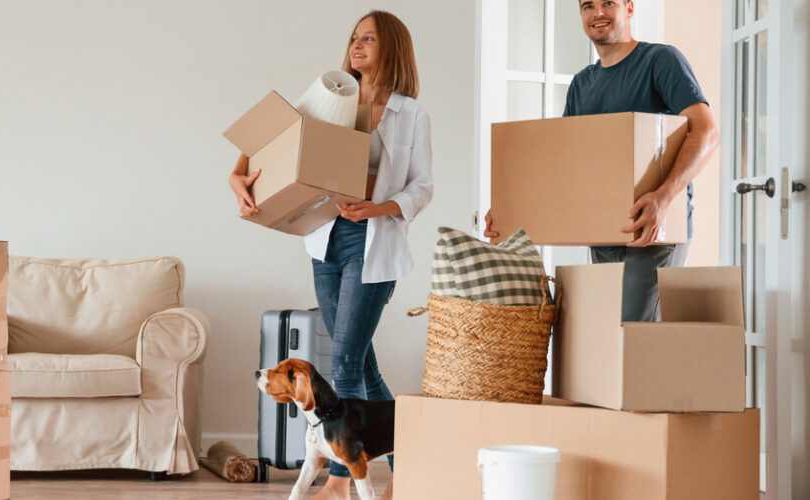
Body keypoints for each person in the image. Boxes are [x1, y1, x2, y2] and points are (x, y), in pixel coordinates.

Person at [230, 10, 433, 500]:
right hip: (326, 240)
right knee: (361, 365)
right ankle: (416, 464)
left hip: (374, 243)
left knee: (343, 360)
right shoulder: (331, 95)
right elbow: (270, 140)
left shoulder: (410, 113)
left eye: (369, 38)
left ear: (393, 49)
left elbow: (422, 187)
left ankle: (343, 480)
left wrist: (378, 206)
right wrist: (237, 174)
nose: (356, 45)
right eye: (353, 37)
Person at [484, 0, 719, 322]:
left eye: (608, 3)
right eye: (587, 6)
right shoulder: (582, 83)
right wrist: (512, 210)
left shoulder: (660, 60)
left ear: (629, 8)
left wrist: (663, 198)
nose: (598, 13)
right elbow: (567, 164)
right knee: (608, 339)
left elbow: (706, 131)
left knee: (632, 333)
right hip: (602, 230)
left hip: (652, 229)